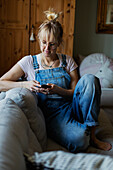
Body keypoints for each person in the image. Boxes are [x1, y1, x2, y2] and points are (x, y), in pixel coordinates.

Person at [0, 8, 112, 153]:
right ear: (39, 40)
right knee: (80, 141)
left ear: (58, 42)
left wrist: (58, 90)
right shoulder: (29, 62)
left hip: (73, 106)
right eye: (44, 43)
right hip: (54, 117)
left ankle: (93, 135)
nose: (47, 48)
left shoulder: (68, 61)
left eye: (52, 44)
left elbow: (76, 92)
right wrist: (26, 84)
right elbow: (1, 82)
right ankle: (83, 134)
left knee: (91, 79)